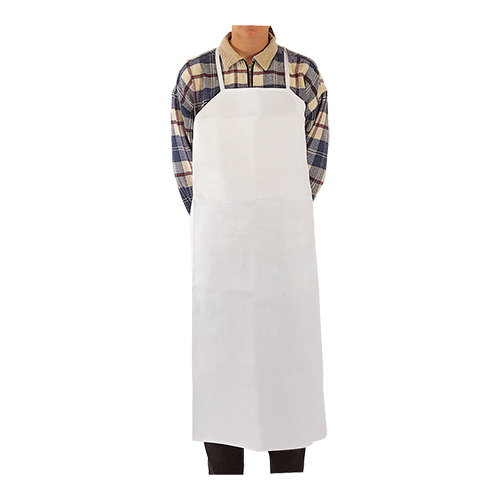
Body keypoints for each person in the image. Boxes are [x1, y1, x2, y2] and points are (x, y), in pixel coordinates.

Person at [171, 25, 329, 475]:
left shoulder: (303, 74)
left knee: (289, 381)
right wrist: (221, 220)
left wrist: (282, 218)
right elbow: (186, 172)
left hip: (287, 258)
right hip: (221, 258)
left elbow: (313, 169)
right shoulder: (195, 77)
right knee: (223, 381)